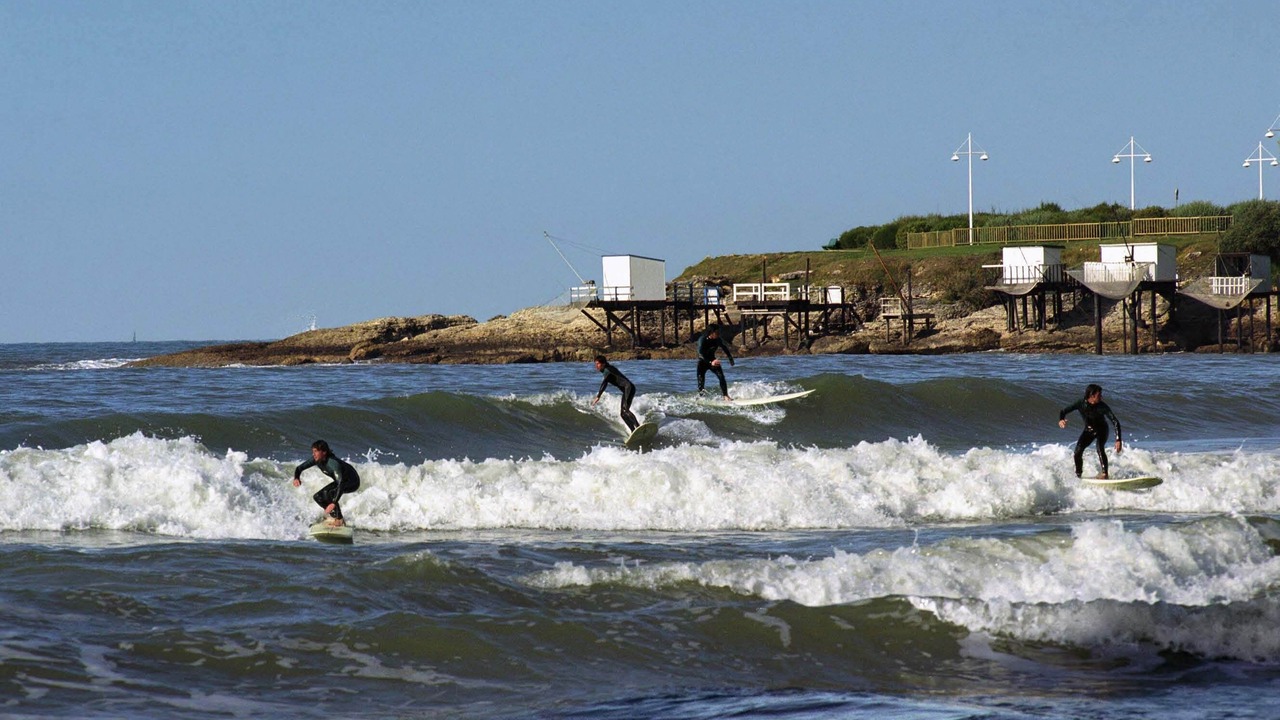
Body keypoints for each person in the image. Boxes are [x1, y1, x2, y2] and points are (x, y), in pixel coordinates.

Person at [1058, 384, 1122, 479]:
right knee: (1077, 452)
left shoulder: (1102, 406)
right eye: (1099, 395)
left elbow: (1115, 421)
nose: (1101, 397)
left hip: (1102, 429)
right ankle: (1078, 475)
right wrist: (1061, 419)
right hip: (1089, 430)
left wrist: (1118, 439)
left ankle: (1105, 474)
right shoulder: (1080, 403)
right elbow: (1063, 411)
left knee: (1099, 447)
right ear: (1092, 396)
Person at [292, 439, 361, 526]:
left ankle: (339, 520)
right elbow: (299, 468)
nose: (313, 454)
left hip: (352, 482)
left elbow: (341, 483)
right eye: (313, 451)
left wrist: (333, 503)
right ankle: (335, 516)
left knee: (329, 493)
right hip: (340, 481)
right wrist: (296, 478)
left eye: (316, 451)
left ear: (324, 452)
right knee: (317, 497)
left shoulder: (333, 464)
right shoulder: (316, 460)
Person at [592, 355, 639, 432]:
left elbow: (604, 382)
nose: (596, 366)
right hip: (627, 390)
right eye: (595, 364)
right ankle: (633, 430)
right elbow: (606, 381)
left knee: (625, 410)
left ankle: (638, 427)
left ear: (603, 364)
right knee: (623, 414)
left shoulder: (607, 370)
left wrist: (598, 396)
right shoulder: (606, 370)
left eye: (598, 364)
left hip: (629, 388)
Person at [694, 323, 735, 401]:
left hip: (713, 360)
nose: (718, 334)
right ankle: (701, 398)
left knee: (721, 377)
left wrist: (730, 359)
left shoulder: (717, 339)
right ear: (711, 332)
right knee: (701, 381)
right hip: (703, 362)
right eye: (717, 332)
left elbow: (724, 347)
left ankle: (726, 396)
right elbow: (700, 353)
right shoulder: (702, 340)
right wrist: (710, 362)